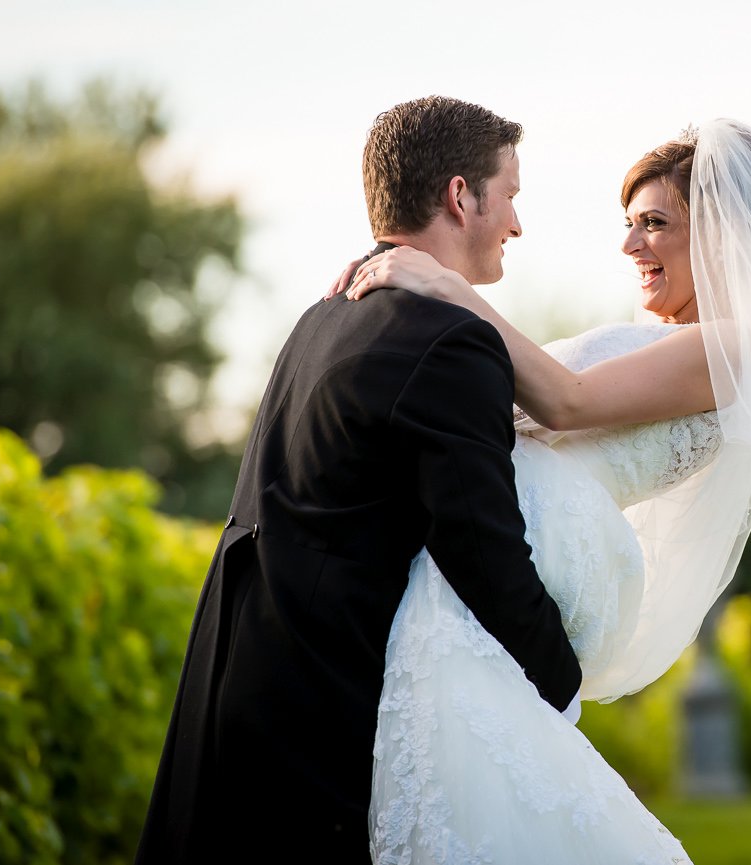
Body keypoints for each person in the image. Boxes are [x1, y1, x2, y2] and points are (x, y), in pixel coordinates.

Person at [333, 118, 751, 863]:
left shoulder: (739, 348)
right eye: (629, 225)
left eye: (655, 224)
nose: (631, 248)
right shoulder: (677, 340)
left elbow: (568, 402)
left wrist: (445, 286)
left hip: (494, 566)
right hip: (470, 560)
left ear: (721, 235)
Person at [135, 96, 583, 865]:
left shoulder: (323, 314)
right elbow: (484, 549)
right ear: (459, 195)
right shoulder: (451, 341)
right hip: (313, 716)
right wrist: (562, 684)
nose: (516, 222)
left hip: (231, 677)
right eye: (510, 194)